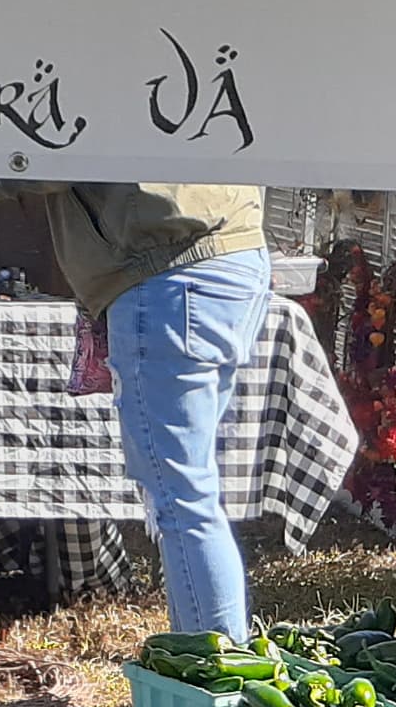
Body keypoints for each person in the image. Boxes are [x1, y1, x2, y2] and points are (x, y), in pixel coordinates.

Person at [36, 184, 268, 637]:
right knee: (189, 494)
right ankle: (205, 668)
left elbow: (52, 145)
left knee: (183, 499)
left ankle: (216, 683)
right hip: (228, 251)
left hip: (168, 270)